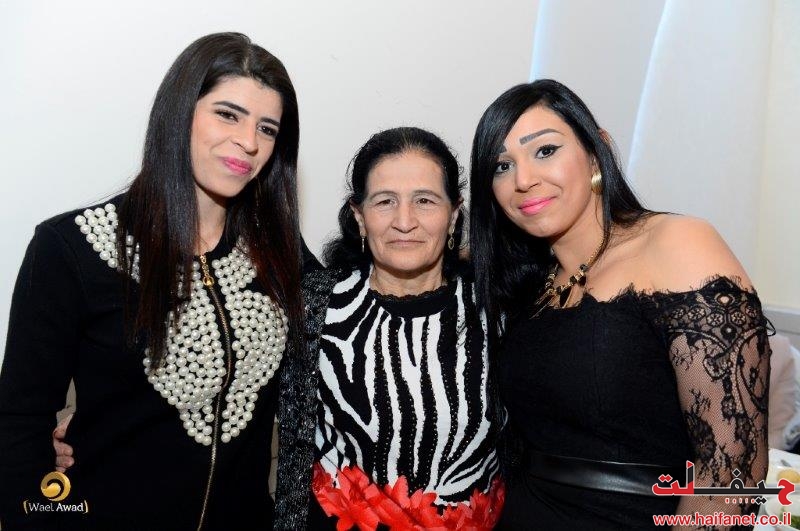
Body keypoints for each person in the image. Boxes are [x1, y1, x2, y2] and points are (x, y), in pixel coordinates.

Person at [0, 32, 311, 531]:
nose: (249, 142)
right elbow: (19, 423)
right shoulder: (69, 249)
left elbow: (356, 314)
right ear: (180, 113)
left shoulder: (277, 248)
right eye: (228, 114)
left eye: (267, 128)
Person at [468, 79, 771, 528]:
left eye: (545, 150)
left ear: (597, 151)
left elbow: (734, 470)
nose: (523, 179)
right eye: (501, 165)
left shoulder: (675, 243)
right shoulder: (528, 285)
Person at [275, 127, 505, 529]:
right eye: (385, 201)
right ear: (359, 216)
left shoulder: (497, 307)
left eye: (425, 200)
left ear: (454, 214)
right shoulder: (313, 306)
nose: (404, 222)